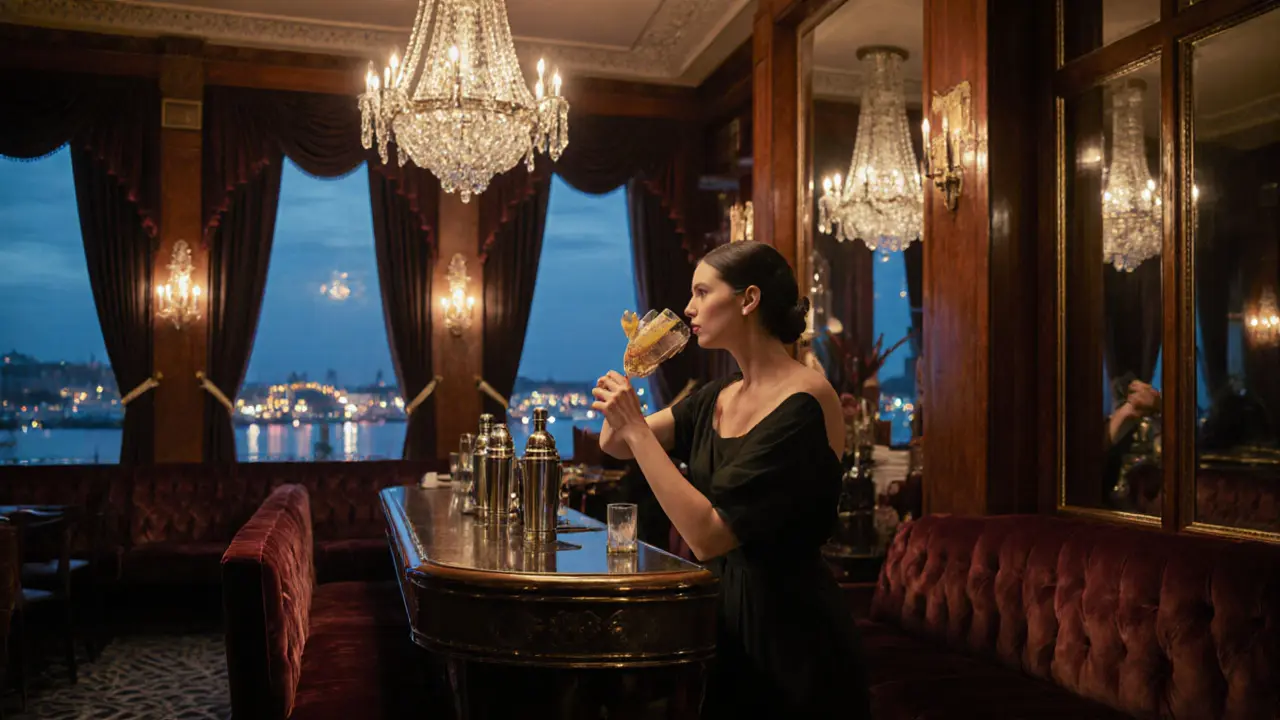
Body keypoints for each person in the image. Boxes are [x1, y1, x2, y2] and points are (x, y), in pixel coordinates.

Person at [592, 241, 872, 719]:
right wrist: (635, 367)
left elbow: (707, 534)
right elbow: (615, 444)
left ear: (748, 300)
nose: (688, 308)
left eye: (702, 291)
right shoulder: (716, 396)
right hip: (724, 622)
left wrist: (637, 427)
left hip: (790, 636)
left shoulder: (803, 403)